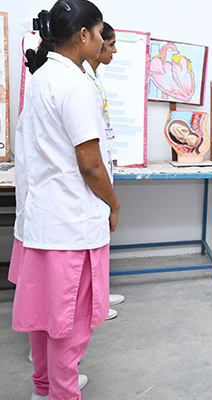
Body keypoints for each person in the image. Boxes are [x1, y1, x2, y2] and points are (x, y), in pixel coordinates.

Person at [10, 1, 119, 399]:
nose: (104, 42)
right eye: (101, 33)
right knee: (69, 325)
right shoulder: (74, 83)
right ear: (83, 35)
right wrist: (114, 203)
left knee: (44, 317)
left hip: (42, 221)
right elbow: (89, 163)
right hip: (71, 225)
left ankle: (44, 388)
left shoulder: (41, 77)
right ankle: (62, 393)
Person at [83, 21, 125, 321]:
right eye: (109, 43)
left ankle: (98, 295)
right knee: (90, 245)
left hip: (100, 169)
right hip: (88, 177)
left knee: (100, 238)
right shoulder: (80, 79)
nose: (113, 50)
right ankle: (93, 302)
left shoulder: (94, 77)